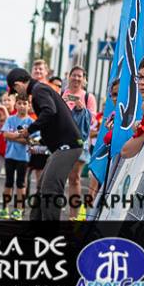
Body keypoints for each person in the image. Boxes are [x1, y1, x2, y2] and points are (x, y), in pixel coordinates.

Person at [5, 67, 82, 221]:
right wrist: (39, 141)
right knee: (42, 187)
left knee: (50, 188)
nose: (17, 93)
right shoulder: (40, 89)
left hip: (68, 146)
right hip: (62, 146)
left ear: (18, 84)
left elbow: (49, 111)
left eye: (15, 90)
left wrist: (29, 130)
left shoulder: (39, 90)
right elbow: (51, 121)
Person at [0, 95, 32, 220]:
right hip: (10, 156)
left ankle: (19, 210)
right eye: (19, 103)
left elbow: (31, 141)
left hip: (23, 158)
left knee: (21, 184)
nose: (22, 106)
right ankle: (5, 208)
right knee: (8, 182)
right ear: (15, 105)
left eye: (24, 103)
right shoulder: (10, 119)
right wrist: (20, 135)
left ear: (29, 106)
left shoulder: (31, 122)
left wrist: (15, 136)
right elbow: (5, 135)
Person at [63, 67, 93, 219]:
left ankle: (73, 216)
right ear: (69, 77)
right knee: (59, 177)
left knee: (74, 178)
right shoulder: (62, 94)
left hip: (79, 142)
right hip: (62, 140)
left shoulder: (88, 97)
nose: (76, 78)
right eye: (73, 75)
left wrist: (83, 109)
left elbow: (92, 121)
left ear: (84, 79)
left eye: (79, 76)